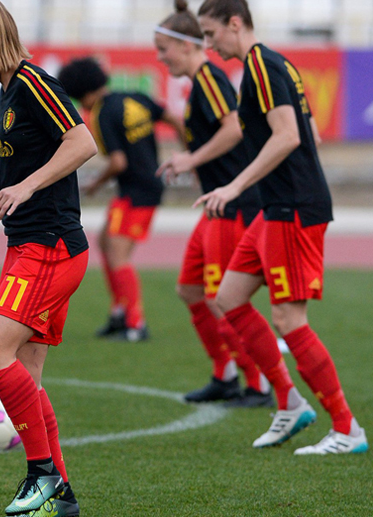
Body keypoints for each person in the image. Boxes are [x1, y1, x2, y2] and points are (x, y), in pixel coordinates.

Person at [196, 0, 367, 454]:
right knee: (229, 298)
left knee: (289, 319)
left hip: (293, 208)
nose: (209, 45)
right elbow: (308, 129)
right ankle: (290, 402)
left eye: (212, 34)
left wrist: (234, 185)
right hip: (278, 205)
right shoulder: (270, 63)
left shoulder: (262, 67)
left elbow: (289, 135)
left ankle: (347, 428)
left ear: (235, 23)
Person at [0, 0, 98, 515]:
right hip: (31, 247)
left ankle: (42, 477)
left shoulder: (34, 82)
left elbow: (83, 142)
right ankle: (62, 499)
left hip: (50, 249)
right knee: (28, 380)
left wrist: (26, 186)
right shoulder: (10, 91)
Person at [152, 0, 271, 407]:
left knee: (225, 298)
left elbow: (234, 127)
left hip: (234, 206)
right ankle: (225, 373)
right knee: (189, 289)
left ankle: (257, 384)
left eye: (163, 49)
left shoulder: (209, 79)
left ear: (186, 46)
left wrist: (192, 158)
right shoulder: (201, 81)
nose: (160, 58)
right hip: (215, 207)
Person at [58, 57, 183, 342]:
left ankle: (135, 324)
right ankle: (119, 314)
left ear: (81, 94)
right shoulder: (133, 96)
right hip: (142, 187)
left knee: (118, 253)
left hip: (139, 190)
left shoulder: (101, 114)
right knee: (106, 242)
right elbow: (174, 119)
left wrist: (95, 184)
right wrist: (187, 153)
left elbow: (118, 162)